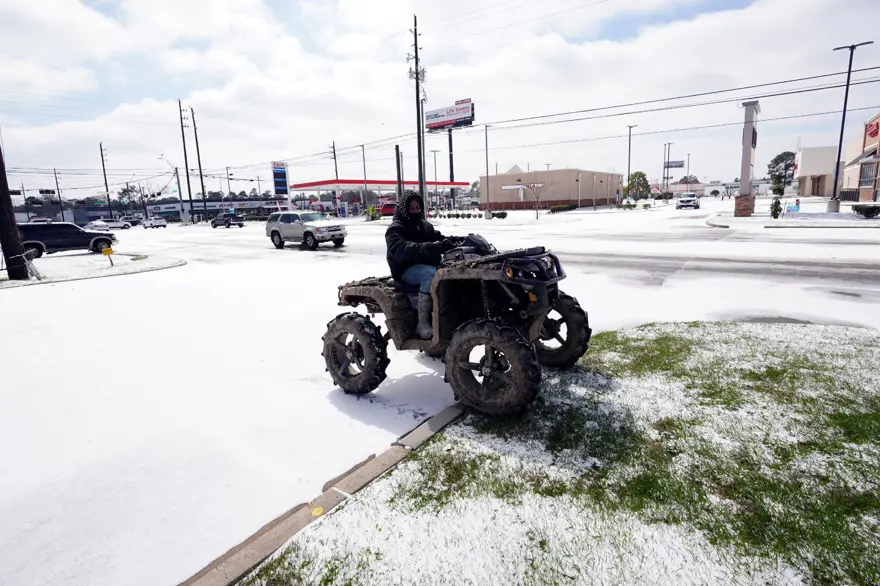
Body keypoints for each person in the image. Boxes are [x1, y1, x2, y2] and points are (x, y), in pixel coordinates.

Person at [386, 192, 457, 340]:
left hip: (425, 264)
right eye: (412, 207)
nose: (416, 210)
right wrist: (430, 247)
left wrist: (454, 241)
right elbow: (403, 249)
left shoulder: (424, 226)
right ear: (405, 209)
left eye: (418, 206)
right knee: (430, 274)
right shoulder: (395, 229)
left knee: (451, 270)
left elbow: (438, 238)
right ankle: (422, 323)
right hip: (405, 270)